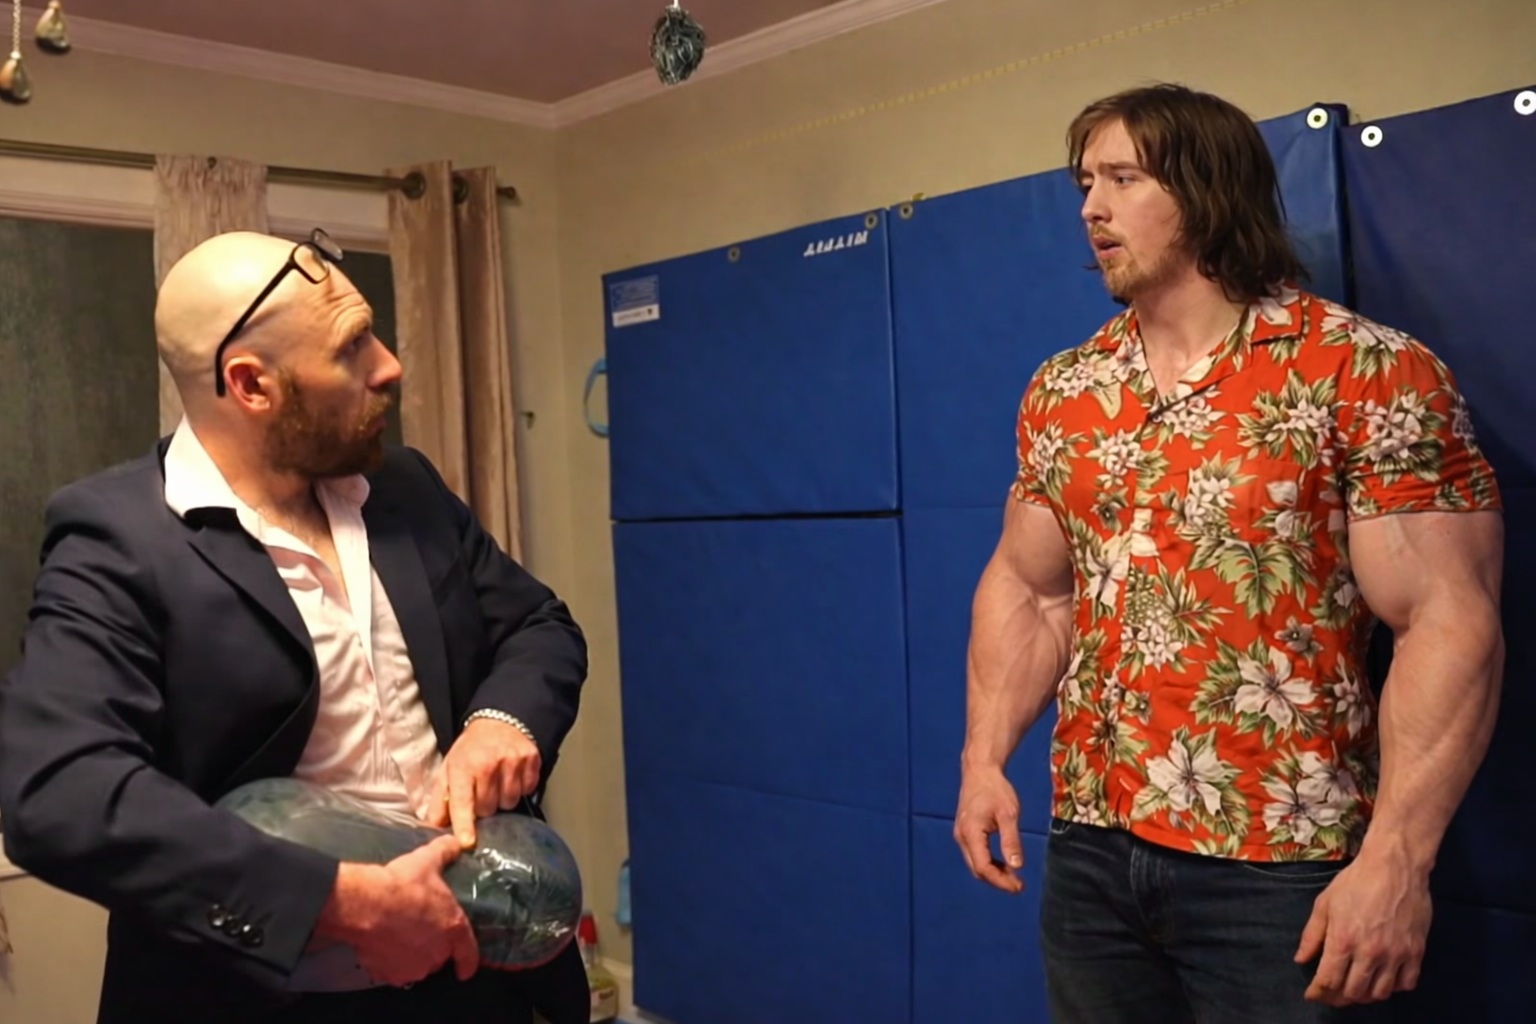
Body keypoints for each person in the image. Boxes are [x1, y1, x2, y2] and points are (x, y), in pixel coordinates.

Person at [954, 84, 1505, 1022]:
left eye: (1123, 179)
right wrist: (982, 759)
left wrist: (1399, 860)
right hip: (1092, 850)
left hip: (1281, 864)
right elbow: (1030, 588)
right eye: (1086, 183)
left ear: (1210, 190)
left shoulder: (1365, 370)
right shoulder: (1066, 390)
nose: (1091, 208)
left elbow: (1448, 621)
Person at [0, 229, 590, 1024]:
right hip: (264, 996)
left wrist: (501, 720)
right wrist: (335, 901)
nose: (390, 365)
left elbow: (538, 626)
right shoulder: (119, 538)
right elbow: (57, 791)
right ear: (251, 384)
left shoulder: (406, 487)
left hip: (474, 974)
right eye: (352, 348)